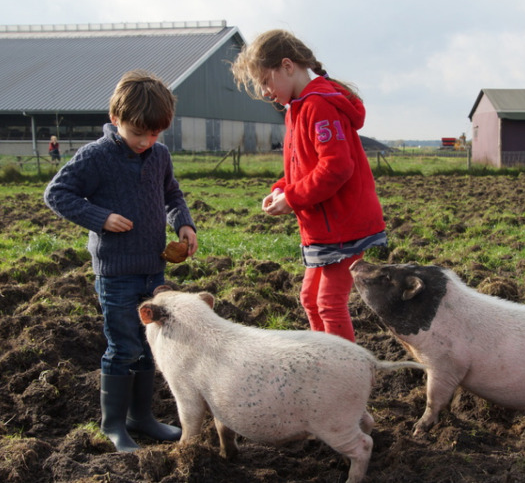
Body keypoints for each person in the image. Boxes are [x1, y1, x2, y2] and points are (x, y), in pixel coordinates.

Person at [44, 69, 198, 452]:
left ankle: (141, 418)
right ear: (116, 119)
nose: (146, 142)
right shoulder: (96, 156)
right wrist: (100, 218)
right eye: (138, 133)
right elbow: (57, 193)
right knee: (123, 346)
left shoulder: (159, 156)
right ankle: (113, 424)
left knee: (148, 344)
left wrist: (183, 224)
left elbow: (172, 195)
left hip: (153, 269)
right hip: (116, 274)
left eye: (155, 134)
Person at [232, 30, 386, 343]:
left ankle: (344, 368)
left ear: (287, 66)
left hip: (343, 226)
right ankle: (326, 359)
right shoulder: (298, 109)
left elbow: (336, 167)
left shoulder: (319, 106)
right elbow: (303, 166)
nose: (265, 92)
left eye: (265, 81)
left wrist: (292, 198)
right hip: (323, 226)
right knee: (310, 300)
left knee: (329, 303)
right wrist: (282, 189)